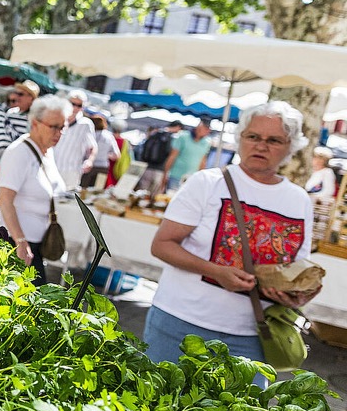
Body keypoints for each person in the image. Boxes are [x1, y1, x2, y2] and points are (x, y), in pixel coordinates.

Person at [143, 101, 320, 370]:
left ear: (290, 147)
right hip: (180, 324)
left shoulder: (299, 200)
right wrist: (216, 271)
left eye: (274, 140)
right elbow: (162, 245)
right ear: (240, 139)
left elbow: (294, 268)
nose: (261, 146)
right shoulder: (207, 183)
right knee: (158, 408)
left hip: (252, 337)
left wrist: (296, 294)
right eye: (253, 137)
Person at [0, 94, 71, 286]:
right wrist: (20, 241)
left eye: (62, 127)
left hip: (33, 244)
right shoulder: (19, 152)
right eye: (54, 126)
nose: (59, 133)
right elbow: (5, 200)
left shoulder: (47, 151)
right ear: (35, 123)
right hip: (12, 243)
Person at [52, 90, 97, 190]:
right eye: (73, 104)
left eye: (79, 105)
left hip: (71, 172)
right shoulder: (58, 119)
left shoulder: (85, 124)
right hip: (52, 168)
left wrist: (89, 161)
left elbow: (92, 147)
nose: (75, 107)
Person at [165, 118, 213, 191]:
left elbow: (203, 161)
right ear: (199, 126)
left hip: (191, 179)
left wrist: (200, 179)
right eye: (205, 128)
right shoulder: (183, 136)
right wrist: (165, 174)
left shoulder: (207, 142)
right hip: (175, 176)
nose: (207, 131)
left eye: (208, 129)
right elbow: (172, 156)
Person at [135, 121, 181, 196]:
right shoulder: (171, 137)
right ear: (178, 127)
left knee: (141, 193)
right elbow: (170, 154)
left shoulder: (155, 133)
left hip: (147, 167)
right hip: (160, 170)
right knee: (153, 196)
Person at [82, 114, 117, 188]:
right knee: (97, 190)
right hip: (103, 167)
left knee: (83, 190)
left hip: (88, 166)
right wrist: (105, 154)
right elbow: (116, 155)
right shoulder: (109, 136)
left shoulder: (89, 134)